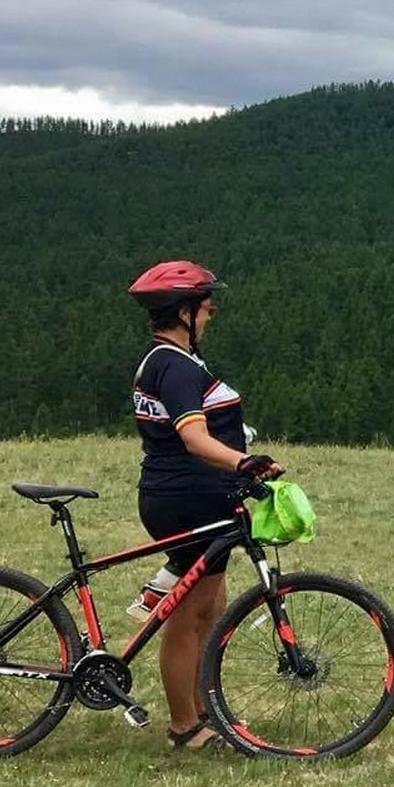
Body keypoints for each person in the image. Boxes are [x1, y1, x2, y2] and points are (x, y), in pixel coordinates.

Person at [128, 261, 277, 750]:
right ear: (181, 312)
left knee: (208, 606)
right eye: (204, 302)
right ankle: (184, 725)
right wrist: (243, 462)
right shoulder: (172, 366)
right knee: (189, 615)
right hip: (187, 498)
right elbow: (193, 437)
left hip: (197, 498)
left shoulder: (172, 361)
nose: (212, 308)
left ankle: (200, 708)